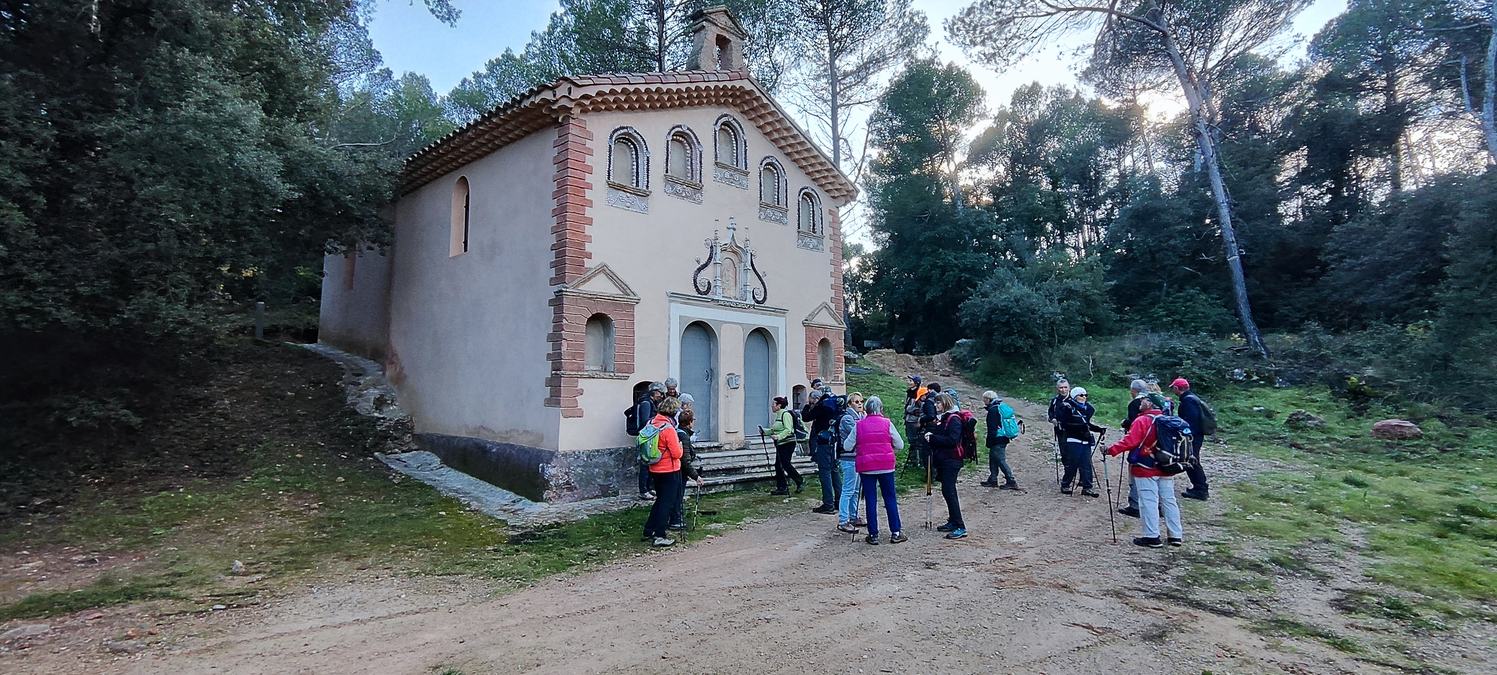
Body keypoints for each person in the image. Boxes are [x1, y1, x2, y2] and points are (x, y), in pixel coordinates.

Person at [1104, 394, 1184, 548]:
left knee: (1148, 501)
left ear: (1151, 404)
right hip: (1166, 466)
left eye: (1145, 400)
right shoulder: (1168, 421)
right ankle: (1175, 536)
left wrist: (1110, 450)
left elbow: (1130, 441)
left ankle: (1152, 536)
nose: (1141, 402)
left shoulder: (1142, 420)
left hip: (1145, 466)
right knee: (1169, 500)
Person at [848, 396, 907, 545]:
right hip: (886, 465)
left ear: (866, 409)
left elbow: (847, 446)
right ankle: (896, 532)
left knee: (870, 500)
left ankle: (873, 534)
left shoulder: (859, 425)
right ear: (881, 408)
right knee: (890, 498)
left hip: (867, 466)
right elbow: (900, 445)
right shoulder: (887, 423)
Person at [641, 397, 684, 547]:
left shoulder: (651, 423)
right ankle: (659, 535)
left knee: (660, 500)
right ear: (673, 412)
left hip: (654, 467)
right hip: (669, 470)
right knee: (667, 503)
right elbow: (677, 454)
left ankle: (649, 529)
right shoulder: (668, 429)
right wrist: (681, 446)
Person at [923, 393, 967, 540]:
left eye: (938, 403)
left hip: (952, 460)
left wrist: (933, 438)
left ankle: (960, 525)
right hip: (945, 459)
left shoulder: (953, 419)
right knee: (947, 490)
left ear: (945, 403)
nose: (936, 406)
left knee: (949, 490)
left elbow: (952, 440)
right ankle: (953, 521)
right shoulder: (945, 418)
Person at [1057, 387, 1105, 497]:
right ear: (1074, 396)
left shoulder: (1086, 409)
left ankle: (1087, 488)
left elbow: (1087, 424)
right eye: (1081, 395)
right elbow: (1065, 424)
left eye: (1085, 395)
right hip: (1073, 439)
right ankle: (1065, 485)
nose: (1084, 397)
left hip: (1085, 440)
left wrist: (1099, 429)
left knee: (1086, 464)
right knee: (1073, 463)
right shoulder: (1068, 407)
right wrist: (1080, 428)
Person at [1171, 377, 1210, 501]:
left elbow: (1190, 421)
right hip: (1196, 434)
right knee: (1191, 460)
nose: (1173, 390)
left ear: (1177, 388)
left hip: (1193, 436)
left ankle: (1201, 489)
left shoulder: (1188, 401)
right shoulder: (1191, 398)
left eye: (1173, 388)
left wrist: (1185, 435)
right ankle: (1199, 488)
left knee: (1191, 460)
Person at [668, 408, 705, 531]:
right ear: (689, 422)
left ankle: (674, 519)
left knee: (675, 495)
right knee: (677, 496)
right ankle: (675, 521)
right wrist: (696, 476)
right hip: (679, 471)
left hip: (677, 470)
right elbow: (685, 460)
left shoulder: (678, 432)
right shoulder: (683, 436)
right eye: (692, 420)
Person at [1117, 379, 1149, 518]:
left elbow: (1133, 424)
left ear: (1133, 390)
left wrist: (1125, 423)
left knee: (1135, 471)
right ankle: (1156, 505)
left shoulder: (1135, 403)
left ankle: (1135, 505)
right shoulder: (1154, 401)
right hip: (1154, 444)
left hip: (1138, 443)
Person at [804, 390, 839, 514]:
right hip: (834, 441)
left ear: (816, 398)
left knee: (825, 472)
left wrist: (808, 406)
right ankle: (839, 501)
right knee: (834, 470)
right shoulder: (834, 404)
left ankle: (828, 504)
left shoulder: (821, 406)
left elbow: (806, 417)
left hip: (823, 442)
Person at [835, 393, 866, 533]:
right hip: (848, 458)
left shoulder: (860, 417)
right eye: (856, 402)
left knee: (855, 490)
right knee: (847, 490)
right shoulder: (847, 418)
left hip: (857, 457)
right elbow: (860, 433)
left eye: (861, 401)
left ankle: (854, 516)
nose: (860, 404)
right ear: (849, 404)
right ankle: (843, 520)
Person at [979, 391, 1019, 489]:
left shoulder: (993, 410)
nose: (983, 401)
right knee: (993, 458)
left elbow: (992, 428)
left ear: (988, 399)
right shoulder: (1000, 407)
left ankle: (1011, 481)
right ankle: (992, 479)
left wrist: (989, 442)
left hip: (997, 438)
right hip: (1003, 437)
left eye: (984, 398)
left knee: (1000, 460)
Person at [634, 383, 666, 501]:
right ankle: (643, 490)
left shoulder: (651, 403)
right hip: (646, 438)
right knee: (645, 464)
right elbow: (644, 421)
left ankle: (649, 487)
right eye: (660, 393)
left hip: (650, 436)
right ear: (654, 392)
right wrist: (657, 422)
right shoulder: (646, 403)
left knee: (650, 463)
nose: (661, 396)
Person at [766, 396, 804, 495]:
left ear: (779, 405)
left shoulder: (785, 415)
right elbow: (775, 429)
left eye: (774, 404)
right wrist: (765, 431)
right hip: (781, 443)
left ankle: (799, 481)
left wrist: (779, 437)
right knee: (779, 465)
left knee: (785, 464)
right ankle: (782, 487)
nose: (772, 406)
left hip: (788, 443)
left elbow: (788, 429)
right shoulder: (779, 415)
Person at [903, 375, 927, 470]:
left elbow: (917, 408)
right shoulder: (910, 393)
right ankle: (913, 460)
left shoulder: (918, 394)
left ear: (916, 383)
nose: (909, 382)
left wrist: (917, 419)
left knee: (916, 441)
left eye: (911, 381)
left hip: (914, 421)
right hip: (909, 420)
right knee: (911, 440)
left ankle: (919, 461)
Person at [1047, 378, 1072, 465]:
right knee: (1064, 454)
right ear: (1057, 389)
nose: (1063, 390)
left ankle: (1078, 475)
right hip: (1060, 431)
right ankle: (1068, 475)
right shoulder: (1055, 400)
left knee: (1074, 454)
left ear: (1069, 388)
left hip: (1074, 431)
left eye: (1065, 387)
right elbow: (1050, 413)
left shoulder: (1074, 399)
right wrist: (1052, 419)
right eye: (1061, 388)